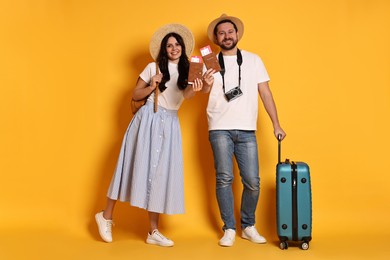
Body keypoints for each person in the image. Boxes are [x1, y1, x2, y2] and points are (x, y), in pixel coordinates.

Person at [95, 23, 215, 247]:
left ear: (183, 47)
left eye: (177, 44)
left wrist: (204, 86)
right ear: (163, 49)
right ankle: (105, 216)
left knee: (160, 174)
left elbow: (189, 95)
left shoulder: (192, 68)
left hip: (170, 122)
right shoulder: (153, 67)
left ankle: (153, 232)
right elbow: (135, 93)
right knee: (128, 165)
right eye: (169, 45)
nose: (173, 48)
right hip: (148, 117)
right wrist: (152, 85)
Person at [202, 14, 287, 247]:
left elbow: (265, 93)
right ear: (216, 38)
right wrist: (206, 84)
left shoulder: (253, 59)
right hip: (219, 127)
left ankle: (248, 225)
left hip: (247, 129)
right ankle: (229, 228)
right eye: (222, 33)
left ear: (237, 34)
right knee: (224, 179)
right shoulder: (208, 60)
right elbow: (200, 91)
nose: (227, 36)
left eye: (230, 32)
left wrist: (276, 124)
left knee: (252, 181)